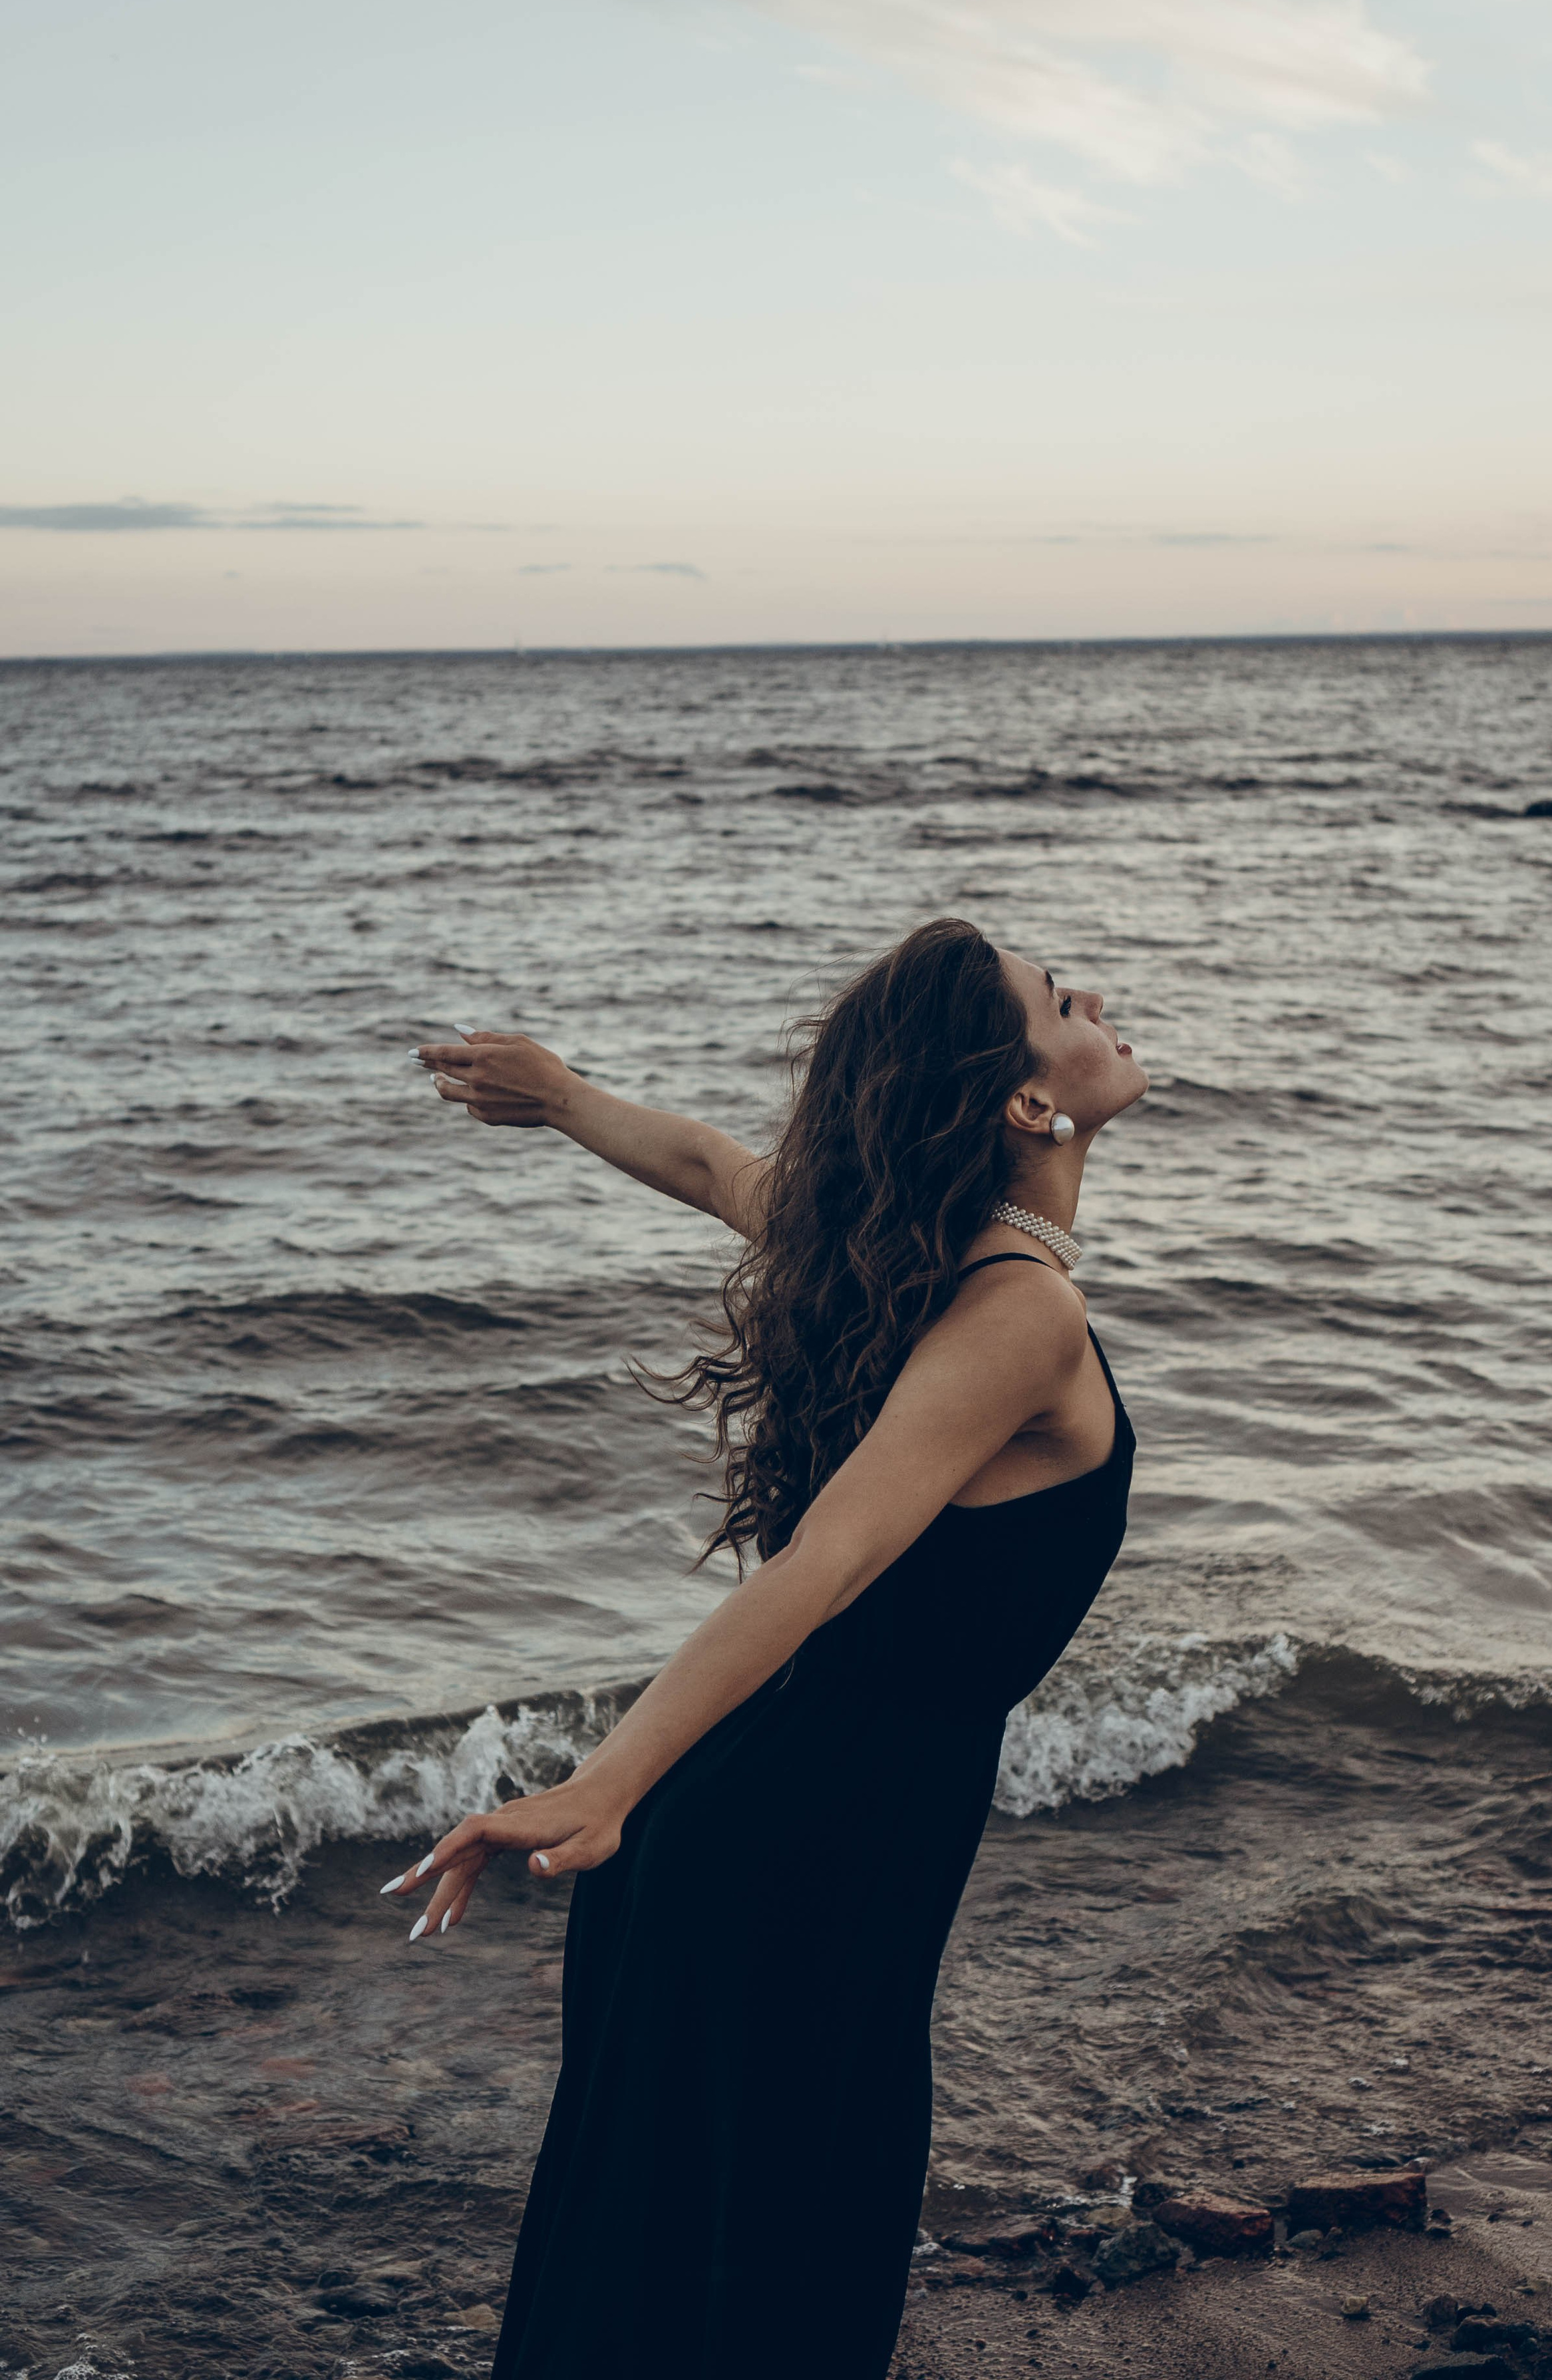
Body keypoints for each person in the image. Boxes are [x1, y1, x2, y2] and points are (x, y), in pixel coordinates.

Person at [385, 917, 1147, 2380]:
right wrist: (605, 1785)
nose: (1096, 998)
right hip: (810, 1843)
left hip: (775, 1818)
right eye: (1062, 1001)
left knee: (679, 2238)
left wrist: (563, 1096)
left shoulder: (906, 1255)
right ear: (1023, 1099)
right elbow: (826, 1562)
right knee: (773, 2252)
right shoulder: (1018, 1311)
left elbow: (705, 1167)